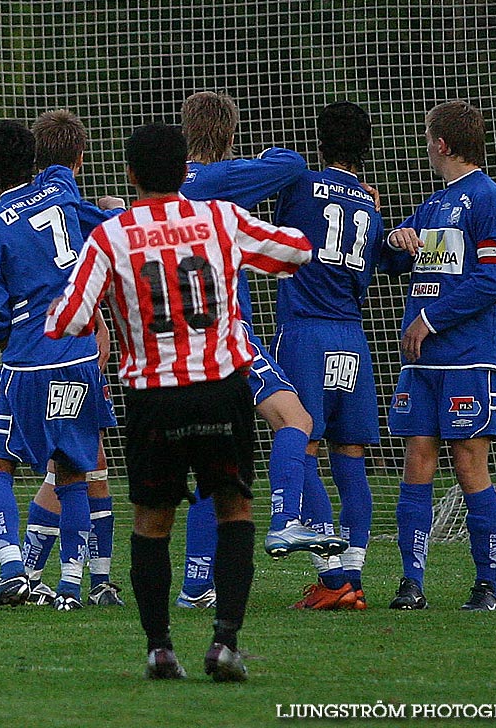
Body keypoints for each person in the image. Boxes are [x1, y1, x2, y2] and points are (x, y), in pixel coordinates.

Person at [46, 122, 312, 682]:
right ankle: (225, 643)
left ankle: (160, 648)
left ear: (131, 175)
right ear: (185, 173)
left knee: (151, 520)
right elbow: (296, 251)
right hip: (221, 389)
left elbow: (64, 320)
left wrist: (112, 310)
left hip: (153, 399)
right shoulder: (219, 218)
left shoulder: (110, 236)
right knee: (234, 508)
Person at [175, 92, 346, 609]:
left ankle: (196, 587)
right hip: (228, 334)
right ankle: (285, 523)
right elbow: (290, 164)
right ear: (227, 137)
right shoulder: (219, 180)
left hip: (181, 343)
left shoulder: (169, 187)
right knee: (295, 421)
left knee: (217, 461)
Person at [0, 115, 122, 612]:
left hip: (30, 357)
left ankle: (12, 569)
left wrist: (8, 331)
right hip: (80, 354)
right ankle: (72, 589)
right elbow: (73, 195)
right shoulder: (60, 188)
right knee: (75, 469)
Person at [382, 101, 496, 612]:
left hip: (469, 355)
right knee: (417, 458)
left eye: (426, 137)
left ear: (441, 144)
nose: (425, 145)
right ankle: (411, 582)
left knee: (467, 462)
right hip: (424, 360)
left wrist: (428, 319)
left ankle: (487, 585)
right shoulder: (436, 204)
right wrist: (397, 237)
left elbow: (491, 277)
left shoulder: (488, 199)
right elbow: (393, 258)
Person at [268, 102, 384, 610]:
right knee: (351, 460)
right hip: (353, 338)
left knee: (302, 445)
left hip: (306, 332)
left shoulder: (300, 185)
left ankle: (332, 579)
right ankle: (353, 578)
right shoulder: (370, 203)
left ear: (319, 142)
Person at [18, 110, 124, 609]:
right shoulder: (70, 202)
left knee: (85, 461)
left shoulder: (17, 207)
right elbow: (112, 244)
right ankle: (55, 577)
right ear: (80, 158)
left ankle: (73, 578)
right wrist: (115, 208)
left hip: (39, 349)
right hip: (70, 349)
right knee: (74, 464)